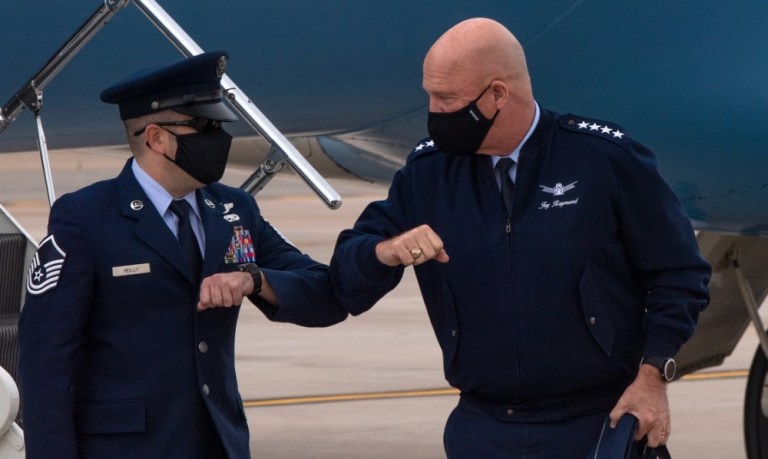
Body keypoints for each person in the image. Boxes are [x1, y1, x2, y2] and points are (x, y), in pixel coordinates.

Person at [330, 18, 710, 458]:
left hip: (597, 423)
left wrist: (652, 377)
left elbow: (680, 275)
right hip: (482, 429)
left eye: (447, 99)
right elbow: (349, 275)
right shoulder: (428, 173)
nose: (433, 112)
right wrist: (384, 253)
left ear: (497, 94)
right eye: (430, 96)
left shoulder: (604, 159)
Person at [18, 51, 347, 458]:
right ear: (156, 137)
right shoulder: (86, 218)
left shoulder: (233, 210)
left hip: (216, 444)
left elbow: (325, 294)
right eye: (205, 126)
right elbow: (46, 359)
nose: (220, 138)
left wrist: (255, 280)